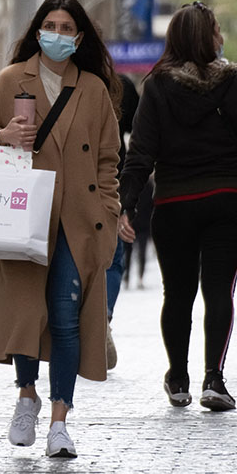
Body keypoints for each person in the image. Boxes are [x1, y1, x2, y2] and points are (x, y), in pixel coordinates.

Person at [0, 0, 121, 458]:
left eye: (66, 28)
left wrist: (109, 214)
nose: (57, 35)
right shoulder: (8, 81)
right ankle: (26, 394)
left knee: (64, 316)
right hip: (23, 215)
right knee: (24, 311)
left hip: (77, 223)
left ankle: (61, 418)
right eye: (50, 26)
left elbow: (107, 160)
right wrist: (3, 136)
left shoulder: (94, 90)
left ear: (79, 38)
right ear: (36, 30)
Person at [119, 1, 237, 412]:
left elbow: (140, 152)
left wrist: (126, 203)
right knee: (220, 290)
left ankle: (177, 377)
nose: (221, 37)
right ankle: (213, 379)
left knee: (177, 293)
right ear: (209, 37)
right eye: (217, 30)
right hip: (228, 200)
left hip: (174, 202)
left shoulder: (158, 86)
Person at [105, 73, 140, 370]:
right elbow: (135, 130)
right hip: (114, 174)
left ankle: (84, 318)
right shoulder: (121, 84)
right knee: (113, 257)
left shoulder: (72, 80)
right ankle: (102, 317)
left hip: (76, 177)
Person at [123, 176, 153, 290]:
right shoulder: (148, 186)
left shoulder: (130, 184)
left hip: (133, 224)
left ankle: (129, 277)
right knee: (139, 252)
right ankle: (137, 277)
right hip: (140, 224)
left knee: (130, 253)